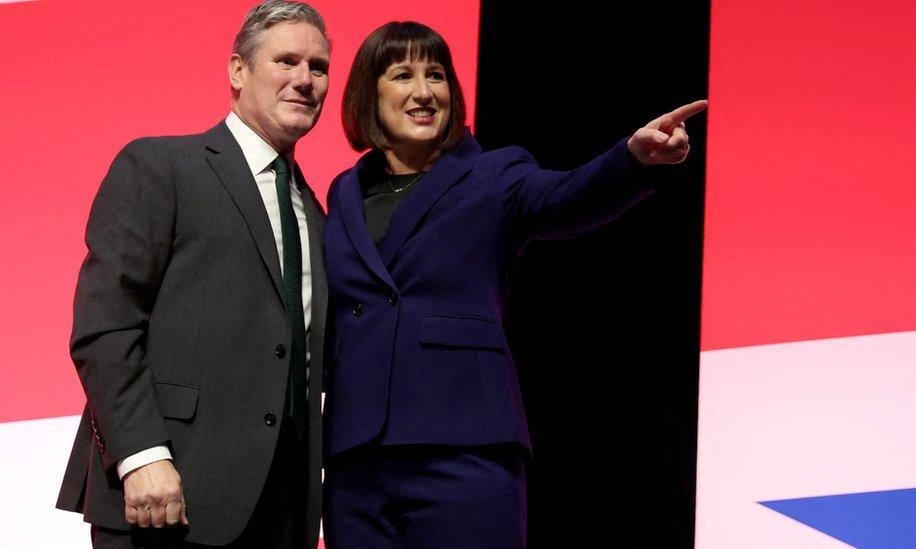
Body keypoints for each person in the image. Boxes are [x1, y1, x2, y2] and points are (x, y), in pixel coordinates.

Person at [322, 20, 707, 549]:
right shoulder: (343, 192)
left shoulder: (493, 175)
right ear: (370, 91)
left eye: (436, 74)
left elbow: (569, 196)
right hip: (357, 460)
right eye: (402, 74)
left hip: (464, 450)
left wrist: (632, 160)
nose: (424, 91)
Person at [55, 2, 331, 547]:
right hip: (165, 500)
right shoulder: (161, 167)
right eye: (287, 61)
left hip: (281, 514)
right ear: (237, 70)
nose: (304, 79)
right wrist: (141, 456)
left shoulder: (315, 212)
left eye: (318, 67)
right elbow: (104, 325)